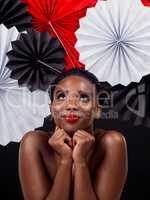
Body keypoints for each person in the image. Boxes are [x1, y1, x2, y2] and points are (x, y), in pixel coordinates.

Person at [19, 68, 128, 200]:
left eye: (83, 97)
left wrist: (80, 162)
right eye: (61, 96)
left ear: (97, 110)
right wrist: (66, 160)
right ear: (51, 108)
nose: (71, 106)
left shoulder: (111, 143)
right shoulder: (34, 142)